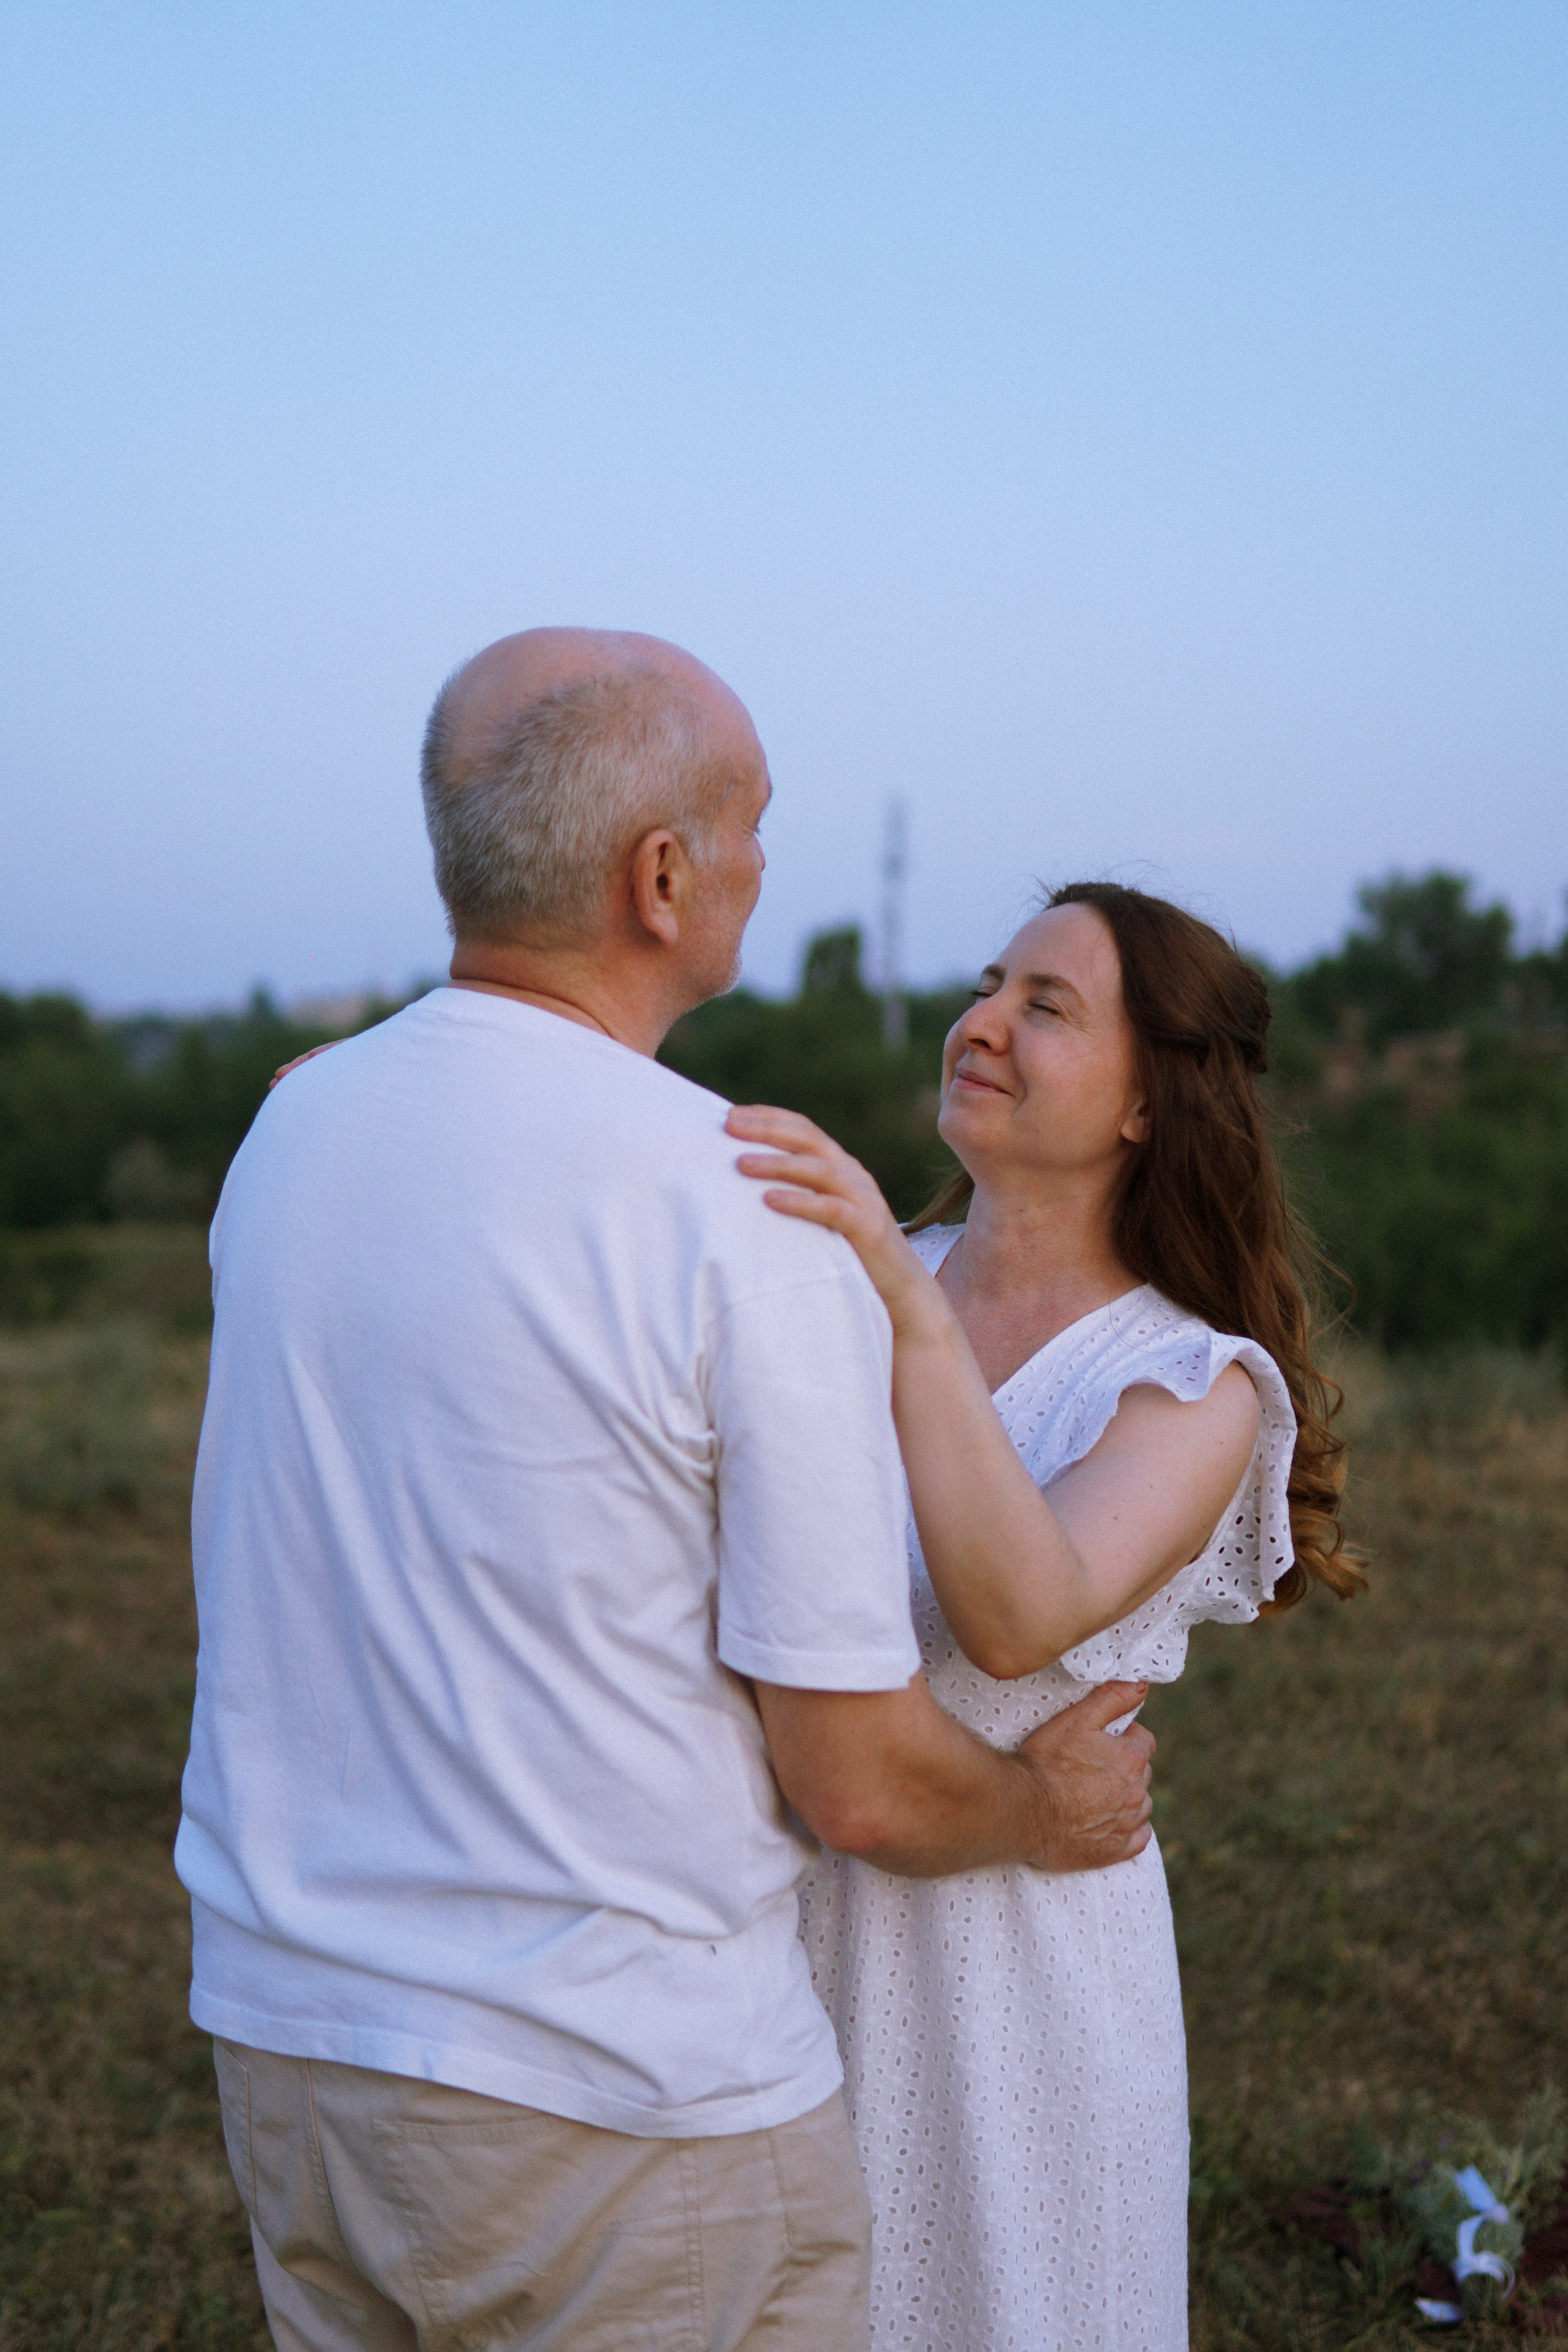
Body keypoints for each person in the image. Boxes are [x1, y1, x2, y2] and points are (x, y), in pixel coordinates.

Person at [176, 627, 1156, 2352]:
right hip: (617, 2106)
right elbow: (853, 1779)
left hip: (294, 2041)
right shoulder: (732, 1209)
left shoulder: (292, 1138)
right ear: (660, 876)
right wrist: (1038, 1817)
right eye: (753, 822)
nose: (766, 865)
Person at [728, 881, 1365, 2352]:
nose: (983, 1024)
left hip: (1015, 1995)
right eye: (987, 984)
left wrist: (895, 1292)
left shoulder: (1191, 1385)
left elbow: (1018, 1613)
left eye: (1047, 1006)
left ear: (1149, 1104)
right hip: (780, 1928)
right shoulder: (848, 1276)